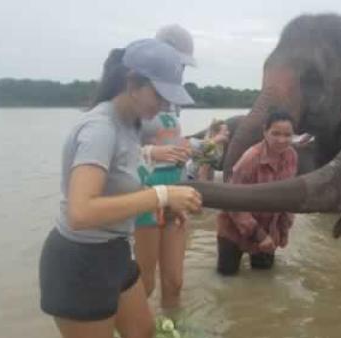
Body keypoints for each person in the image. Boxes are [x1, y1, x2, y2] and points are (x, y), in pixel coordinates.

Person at [38, 39, 202, 338]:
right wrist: (161, 195)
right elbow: (81, 211)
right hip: (79, 261)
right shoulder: (100, 128)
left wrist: (163, 205)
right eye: (159, 95)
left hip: (114, 250)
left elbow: (119, 184)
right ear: (132, 83)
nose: (165, 105)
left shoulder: (131, 125)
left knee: (143, 332)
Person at [133, 24, 197, 312]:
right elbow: (118, 155)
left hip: (175, 193)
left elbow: (174, 140)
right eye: (178, 62)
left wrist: (188, 153)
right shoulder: (136, 99)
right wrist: (153, 152)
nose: (180, 70)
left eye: (182, 65)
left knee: (175, 281)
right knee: (145, 282)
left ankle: (173, 327)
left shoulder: (175, 100)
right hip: (145, 196)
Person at [216, 110, 298, 275]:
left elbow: (289, 197)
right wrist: (259, 235)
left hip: (269, 228)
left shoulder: (292, 156)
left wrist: (284, 230)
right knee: (227, 277)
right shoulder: (250, 159)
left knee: (263, 279)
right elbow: (233, 203)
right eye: (275, 133)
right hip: (234, 230)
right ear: (264, 132)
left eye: (287, 135)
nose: (282, 140)